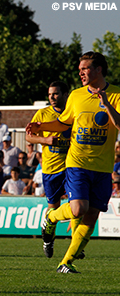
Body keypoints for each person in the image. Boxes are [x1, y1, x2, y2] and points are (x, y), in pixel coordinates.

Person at [26, 52, 120, 273]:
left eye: (85, 68)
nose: (81, 73)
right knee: (78, 208)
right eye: (80, 69)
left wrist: (106, 104)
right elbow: (63, 122)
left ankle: (66, 262)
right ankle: (51, 217)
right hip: (77, 162)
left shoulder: (117, 94)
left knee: (91, 215)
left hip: (103, 167)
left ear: (99, 69)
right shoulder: (76, 96)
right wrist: (42, 127)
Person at [26, 81, 72, 259]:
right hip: (51, 169)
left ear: (65, 94)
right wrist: (45, 141)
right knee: (53, 208)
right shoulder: (43, 113)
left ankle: (77, 245)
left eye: (56, 94)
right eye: (50, 94)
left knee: (78, 203)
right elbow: (29, 136)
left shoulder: (72, 112)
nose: (52, 97)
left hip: (71, 167)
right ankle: (48, 240)